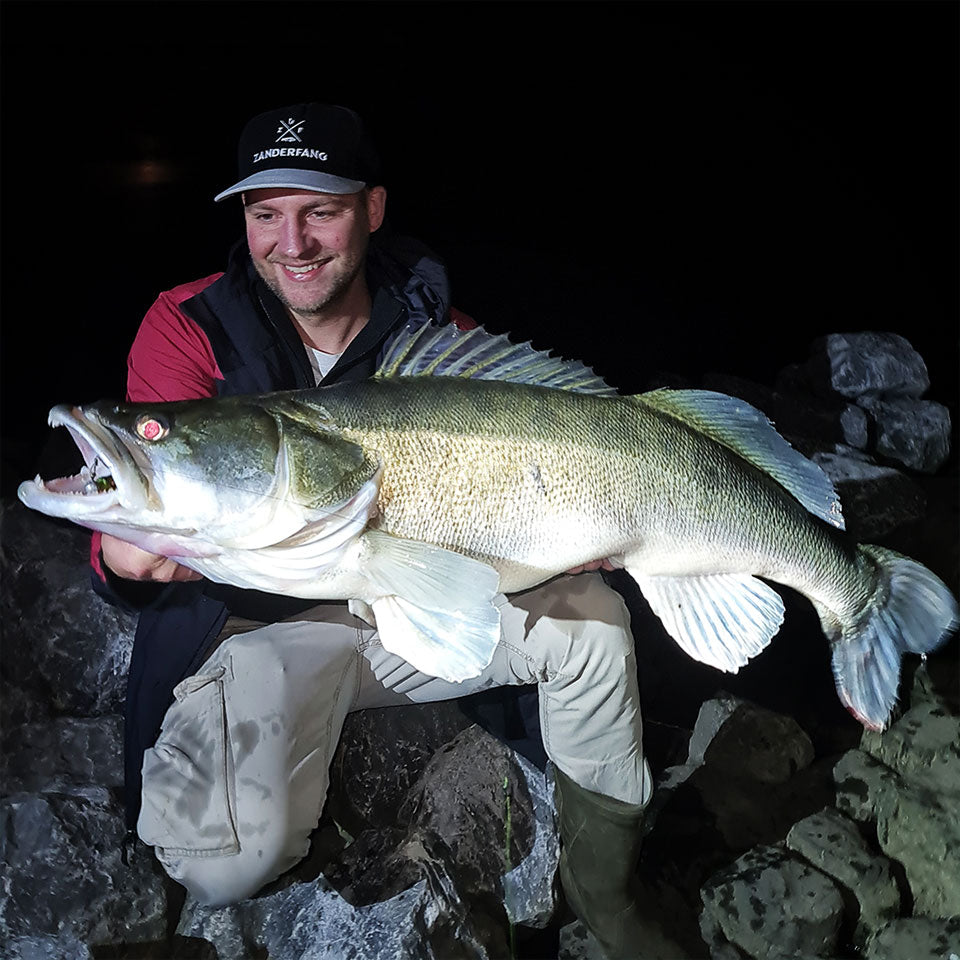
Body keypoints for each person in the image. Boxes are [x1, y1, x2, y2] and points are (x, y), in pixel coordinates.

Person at [93, 102, 653, 958]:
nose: (293, 241)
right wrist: (119, 551)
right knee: (222, 867)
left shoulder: (441, 340)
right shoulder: (188, 325)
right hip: (268, 623)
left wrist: (589, 523)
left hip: (420, 598)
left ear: (373, 209)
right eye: (264, 213)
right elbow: (156, 484)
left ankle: (605, 890)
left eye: (321, 210)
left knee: (594, 626)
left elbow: (542, 473)